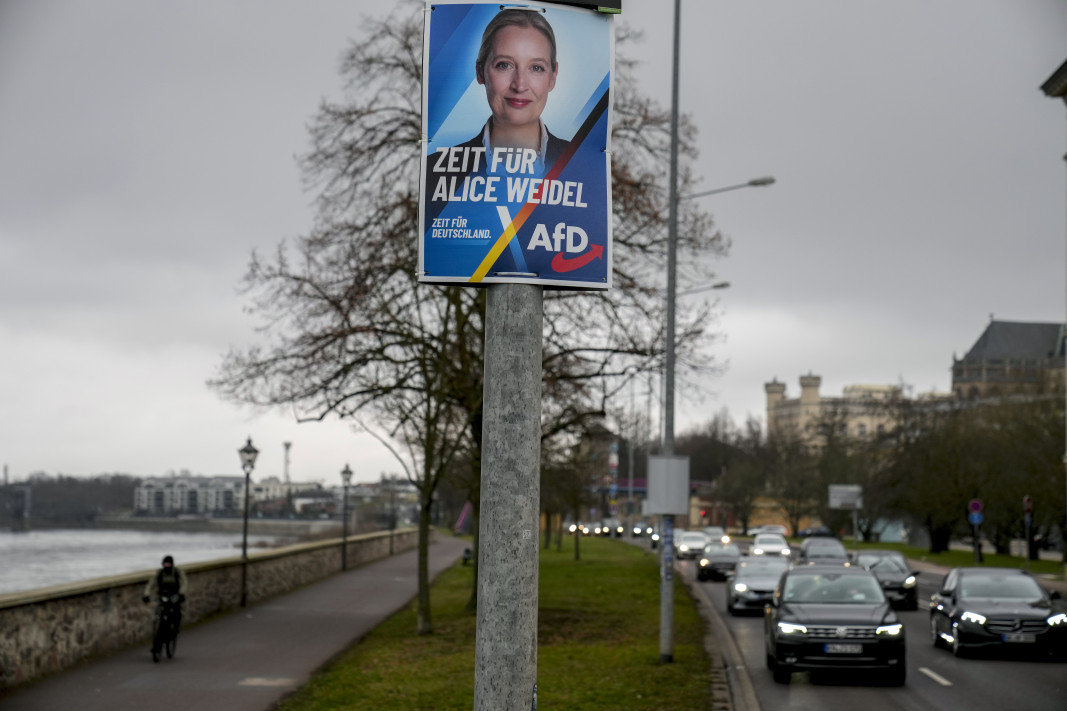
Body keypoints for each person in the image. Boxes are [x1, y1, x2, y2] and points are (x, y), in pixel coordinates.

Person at [143, 555, 188, 658]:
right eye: (165, 563)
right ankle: (157, 648)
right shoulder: (159, 573)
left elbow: (184, 583)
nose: (166, 565)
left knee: (176, 616)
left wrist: (181, 594)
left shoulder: (177, 572)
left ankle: (174, 633)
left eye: (168, 563)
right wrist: (146, 594)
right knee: (162, 621)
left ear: (172, 564)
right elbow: (151, 584)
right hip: (163, 597)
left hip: (174, 597)